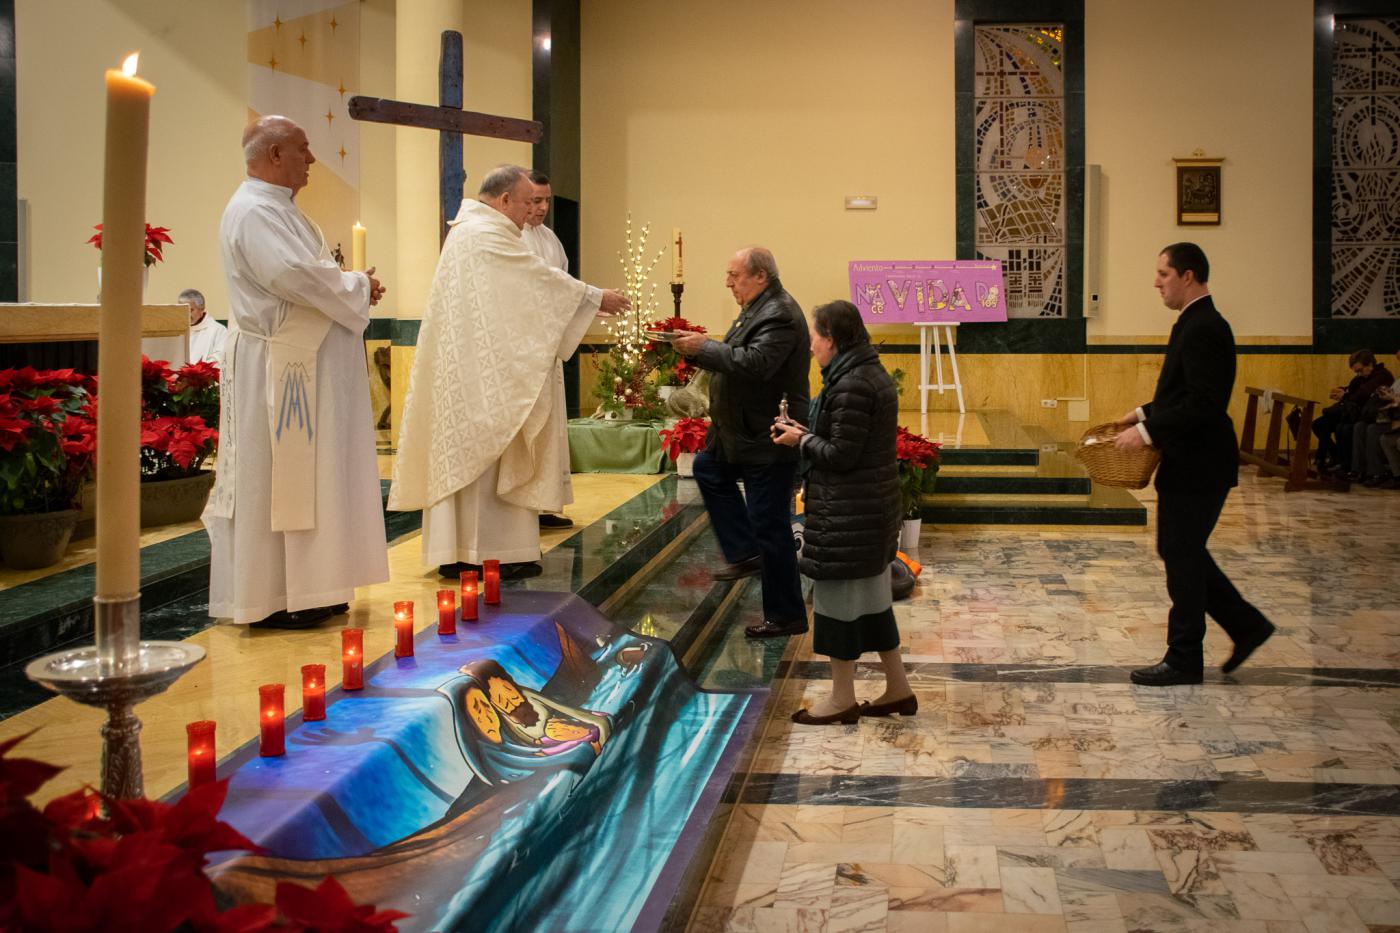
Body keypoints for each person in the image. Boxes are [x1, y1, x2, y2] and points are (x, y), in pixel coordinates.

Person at [389, 165, 628, 579]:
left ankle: (467, 550)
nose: (528, 214)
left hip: (479, 366)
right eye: (524, 204)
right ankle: (487, 552)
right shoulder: (485, 236)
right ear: (503, 201)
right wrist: (594, 297)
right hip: (483, 376)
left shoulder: (468, 233)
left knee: (481, 461)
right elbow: (534, 281)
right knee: (488, 454)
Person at [204, 115, 389, 628]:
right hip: (277, 369)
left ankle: (314, 584)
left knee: (318, 476)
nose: (311, 160)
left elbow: (306, 277)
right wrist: (354, 285)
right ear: (274, 154)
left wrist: (350, 285)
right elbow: (289, 276)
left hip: (302, 364)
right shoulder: (253, 212)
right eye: (303, 149)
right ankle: (276, 595)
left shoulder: (280, 210)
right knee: (279, 481)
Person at [1113, 243, 1274, 685]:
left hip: (1201, 462)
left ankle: (1185, 658)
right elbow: (1184, 394)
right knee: (1181, 552)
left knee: (1181, 556)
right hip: (1192, 460)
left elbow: (1203, 403)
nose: (1156, 282)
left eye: (1163, 274)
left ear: (1188, 275)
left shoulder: (1205, 325)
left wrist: (1146, 433)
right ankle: (1247, 625)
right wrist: (1143, 412)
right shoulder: (1195, 321)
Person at [771, 300, 910, 725]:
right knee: (872, 604)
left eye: (815, 336)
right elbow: (846, 443)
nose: (812, 345)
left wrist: (801, 442)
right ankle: (898, 689)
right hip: (867, 511)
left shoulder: (852, 384)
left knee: (836, 608)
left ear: (831, 338)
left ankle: (842, 698)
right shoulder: (863, 373)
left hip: (849, 515)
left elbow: (842, 454)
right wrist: (808, 433)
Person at [672, 247, 810, 639]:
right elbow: (737, 356)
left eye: (735, 275)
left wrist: (705, 348)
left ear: (760, 276)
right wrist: (701, 349)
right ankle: (745, 551)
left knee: (772, 525)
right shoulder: (758, 308)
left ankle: (786, 615)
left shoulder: (779, 312)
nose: (728, 282)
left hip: (768, 433)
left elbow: (756, 363)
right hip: (741, 433)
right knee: (707, 468)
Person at [521, 170, 573, 530]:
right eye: (535, 200)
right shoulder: (511, 237)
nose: (541, 208)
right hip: (525, 349)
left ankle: (545, 502)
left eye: (546, 201)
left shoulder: (550, 239)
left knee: (550, 428)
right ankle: (526, 504)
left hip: (549, 346)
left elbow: (564, 284)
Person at [1313, 349, 1393, 474]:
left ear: (1370, 364)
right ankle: (1336, 458)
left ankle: (1346, 464)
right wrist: (1341, 390)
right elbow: (1353, 389)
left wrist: (1345, 395)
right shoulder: (1363, 377)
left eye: (1360, 370)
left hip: (1366, 415)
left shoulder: (1382, 375)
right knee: (1322, 424)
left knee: (1344, 428)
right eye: (1356, 372)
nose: (1359, 374)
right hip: (1354, 412)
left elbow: (1363, 393)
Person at [179, 288, 227, 365]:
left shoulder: (218, 330)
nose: (186, 314)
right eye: (182, 310)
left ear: (202, 309)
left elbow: (219, 359)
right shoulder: (177, 330)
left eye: (191, 310)